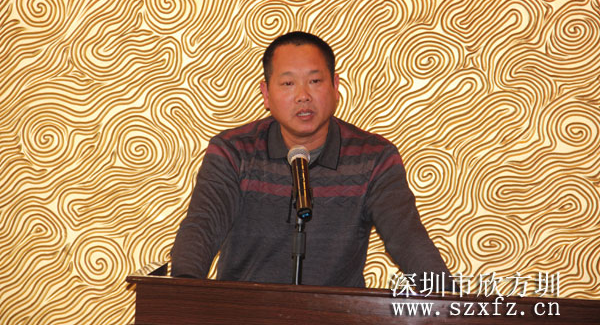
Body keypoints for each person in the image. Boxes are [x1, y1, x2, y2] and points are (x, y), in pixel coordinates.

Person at [171, 31, 450, 288]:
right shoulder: (233, 151)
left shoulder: (373, 157)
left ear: (335, 86)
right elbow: (203, 227)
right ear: (266, 94)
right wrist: (180, 296)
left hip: (337, 315)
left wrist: (452, 303)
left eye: (315, 81)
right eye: (288, 83)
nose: (303, 96)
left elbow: (407, 239)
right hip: (245, 312)